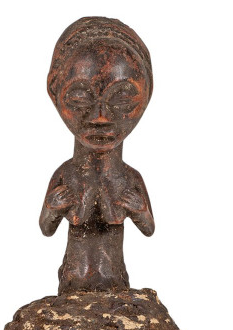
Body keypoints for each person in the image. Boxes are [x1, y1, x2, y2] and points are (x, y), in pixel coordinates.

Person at [40, 17, 155, 294]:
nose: (100, 117)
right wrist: (53, 208)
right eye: (81, 98)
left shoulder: (129, 178)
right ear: (55, 92)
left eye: (121, 98)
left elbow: (149, 228)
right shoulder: (66, 174)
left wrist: (139, 209)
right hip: (73, 278)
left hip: (114, 279)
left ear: (146, 96)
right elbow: (46, 227)